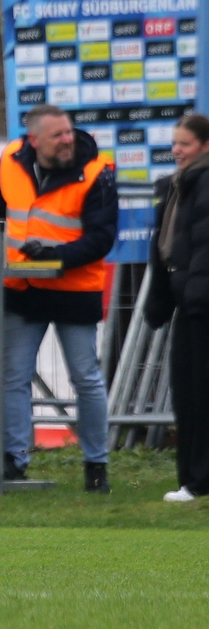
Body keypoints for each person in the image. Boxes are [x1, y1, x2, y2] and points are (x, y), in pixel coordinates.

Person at [0, 104, 118, 491]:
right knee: (14, 377)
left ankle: (96, 465)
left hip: (74, 289)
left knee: (85, 379)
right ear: (33, 140)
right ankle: (14, 460)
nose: (67, 140)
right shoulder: (10, 158)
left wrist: (56, 257)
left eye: (69, 132)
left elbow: (102, 238)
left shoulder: (96, 171)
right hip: (22, 288)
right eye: (58, 135)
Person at [143, 114, 209, 503]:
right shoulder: (176, 185)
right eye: (175, 143)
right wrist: (161, 300)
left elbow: (201, 247)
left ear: (204, 145)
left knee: (196, 391)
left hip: (200, 305)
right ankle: (194, 479)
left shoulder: (200, 183)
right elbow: (165, 248)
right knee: (187, 390)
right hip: (189, 301)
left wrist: (192, 294)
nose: (176, 150)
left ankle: (197, 482)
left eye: (184, 143)